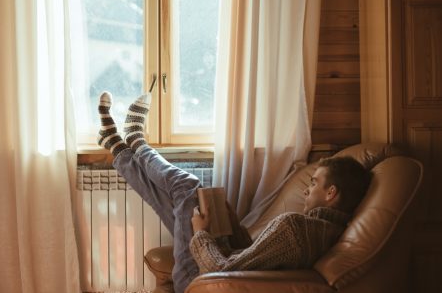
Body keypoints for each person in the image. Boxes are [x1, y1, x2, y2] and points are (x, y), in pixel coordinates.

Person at [97, 92, 372, 293]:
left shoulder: (296, 228)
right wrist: (230, 222)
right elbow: (255, 257)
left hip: (201, 278)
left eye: (315, 183)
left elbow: (226, 271)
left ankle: (136, 140)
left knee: (187, 186)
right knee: (180, 203)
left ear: (331, 193)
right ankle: (116, 145)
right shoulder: (325, 232)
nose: (308, 189)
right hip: (213, 272)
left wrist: (203, 233)